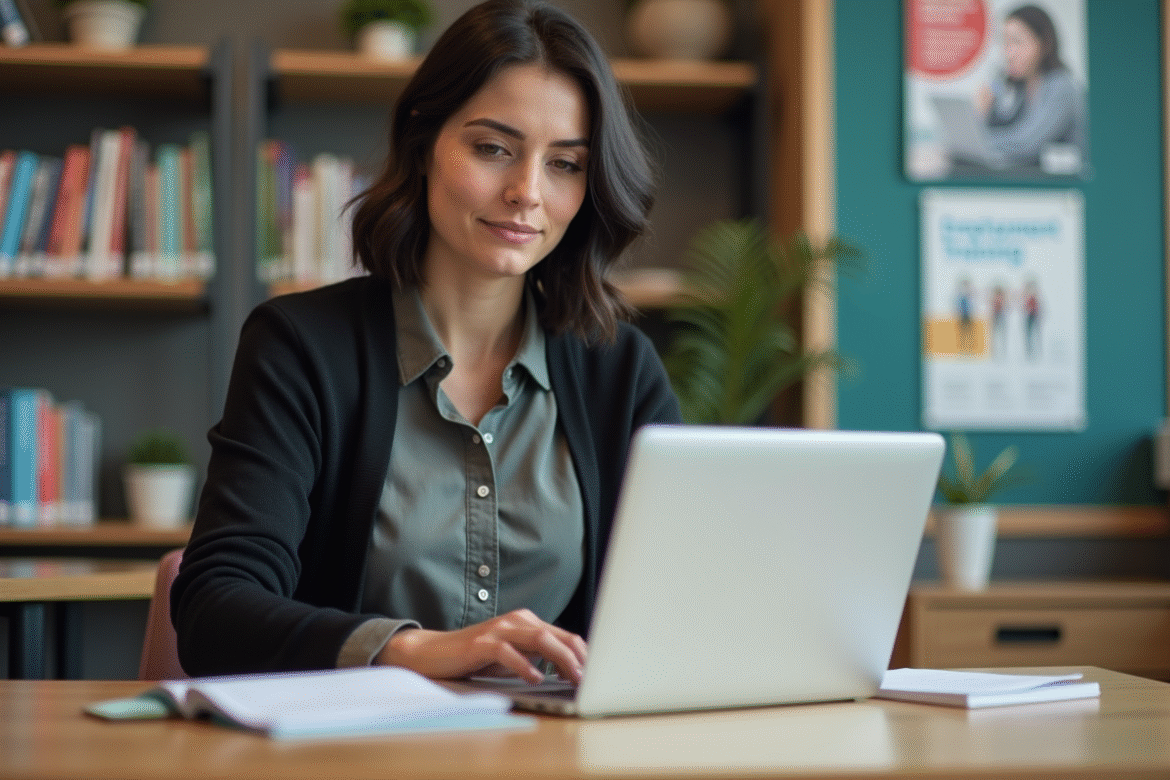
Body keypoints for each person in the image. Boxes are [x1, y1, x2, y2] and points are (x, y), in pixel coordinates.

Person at [171, 0, 681, 684]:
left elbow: (678, 605)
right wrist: (412, 650)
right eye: (493, 148)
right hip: (350, 748)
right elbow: (214, 610)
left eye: (564, 164)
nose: (527, 192)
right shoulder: (300, 347)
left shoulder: (619, 370)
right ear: (422, 143)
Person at [975, 4, 1085, 170]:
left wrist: (975, 143)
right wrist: (982, 111)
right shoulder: (1020, 88)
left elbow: (1026, 143)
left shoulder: (1061, 86)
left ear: (1042, 44)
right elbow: (1003, 131)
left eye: (1017, 42)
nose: (1008, 54)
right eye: (1004, 43)